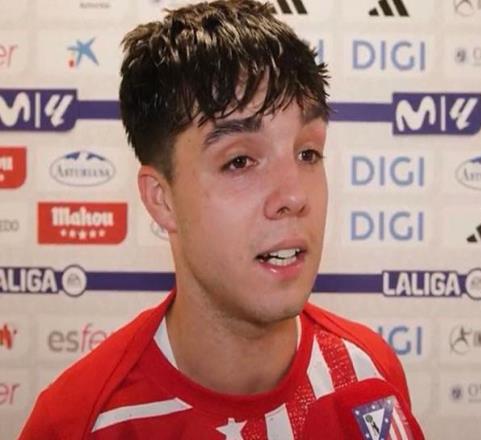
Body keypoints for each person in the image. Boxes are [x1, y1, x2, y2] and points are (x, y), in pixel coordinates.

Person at [20, 1, 423, 438]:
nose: (294, 196)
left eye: (308, 153)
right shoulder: (78, 421)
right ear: (161, 200)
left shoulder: (369, 372)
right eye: (240, 161)